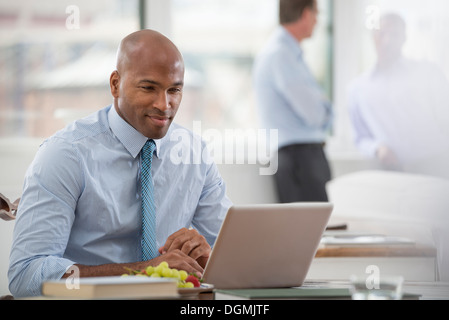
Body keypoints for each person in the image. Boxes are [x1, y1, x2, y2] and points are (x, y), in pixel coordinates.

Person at [8, 29, 232, 297]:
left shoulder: (194, 153)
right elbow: (26, 275)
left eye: (174, 90)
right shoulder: (65, 154)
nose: (164, 104)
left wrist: (211, 257)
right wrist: (143, 272)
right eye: (148, 87)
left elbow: (238, 252)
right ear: (115, 84)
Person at [348, 13, 449, 178]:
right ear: (373, 37)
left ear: (404, 38)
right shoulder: (357, 88)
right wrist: (377, 148)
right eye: (382, 34)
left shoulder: (428, 73)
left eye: (394, 34)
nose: (387, 41)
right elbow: (360, 138)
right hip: (391, 171)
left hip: (436, 165)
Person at [253, 0, 333, 203]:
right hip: (302, 160)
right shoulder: (282, 55)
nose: (317, 20)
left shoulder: (284, 53)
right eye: (317, 13)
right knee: (313, 231)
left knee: (311, 230)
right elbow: (315, 114)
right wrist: (326, 109)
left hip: (299, 158)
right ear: (306, 14)